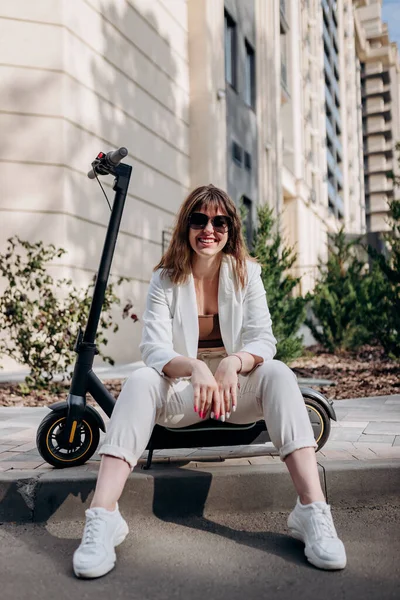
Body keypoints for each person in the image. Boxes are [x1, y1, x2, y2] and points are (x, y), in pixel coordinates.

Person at [73, 184, 347, 578]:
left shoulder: (246, 274)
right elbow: (153, 349)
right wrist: (196, 368)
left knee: (279, 373)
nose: (209, 229)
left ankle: (312, 511)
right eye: (199, 220)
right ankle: (103, 516)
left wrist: (231, 363)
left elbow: (263, 339)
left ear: (231, 230)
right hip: (184, 396)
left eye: (220, 222)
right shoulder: (165, 280)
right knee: (138, 382)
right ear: (186, 226)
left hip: (237, 394)